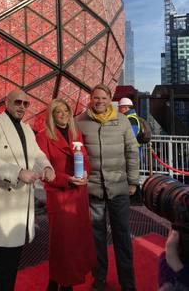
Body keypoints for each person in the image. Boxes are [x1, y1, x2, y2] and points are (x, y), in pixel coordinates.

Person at [0, 89, 55, 291]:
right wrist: (18, 172)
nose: (22, 106)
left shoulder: (26, 129)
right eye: (18, 102)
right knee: (5, 262)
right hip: (4, 200)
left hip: (22, 202)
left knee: (12, 260)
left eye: (25, 104)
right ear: (7, 102)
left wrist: (46, 166)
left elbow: (37, 154)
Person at [76, 84, 140, 291]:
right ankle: (99, 279)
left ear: (110, 99)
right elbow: (74, 152)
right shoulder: (80, 122)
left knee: (122, 237)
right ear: (90, 98)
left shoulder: (122, 121)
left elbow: (131, 151)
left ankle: (127, 283)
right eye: (96, 98)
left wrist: (133, 181)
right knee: (97, 238)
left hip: (119, 188)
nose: (100, 102)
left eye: (103, 98)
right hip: (93, 189)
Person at [36, 99, 97, 291]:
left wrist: (86, 172)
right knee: (61, 243)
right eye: (58, 112)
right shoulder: (43, 136)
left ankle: (63, 281)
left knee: (77, 241)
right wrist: (66, 179)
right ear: (52, 116)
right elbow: (44, 171)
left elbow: (85, 158)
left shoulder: (75, 132)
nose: (63, 115)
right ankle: (59, 281)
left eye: (66, 111)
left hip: (78, 195)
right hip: (60, 196)